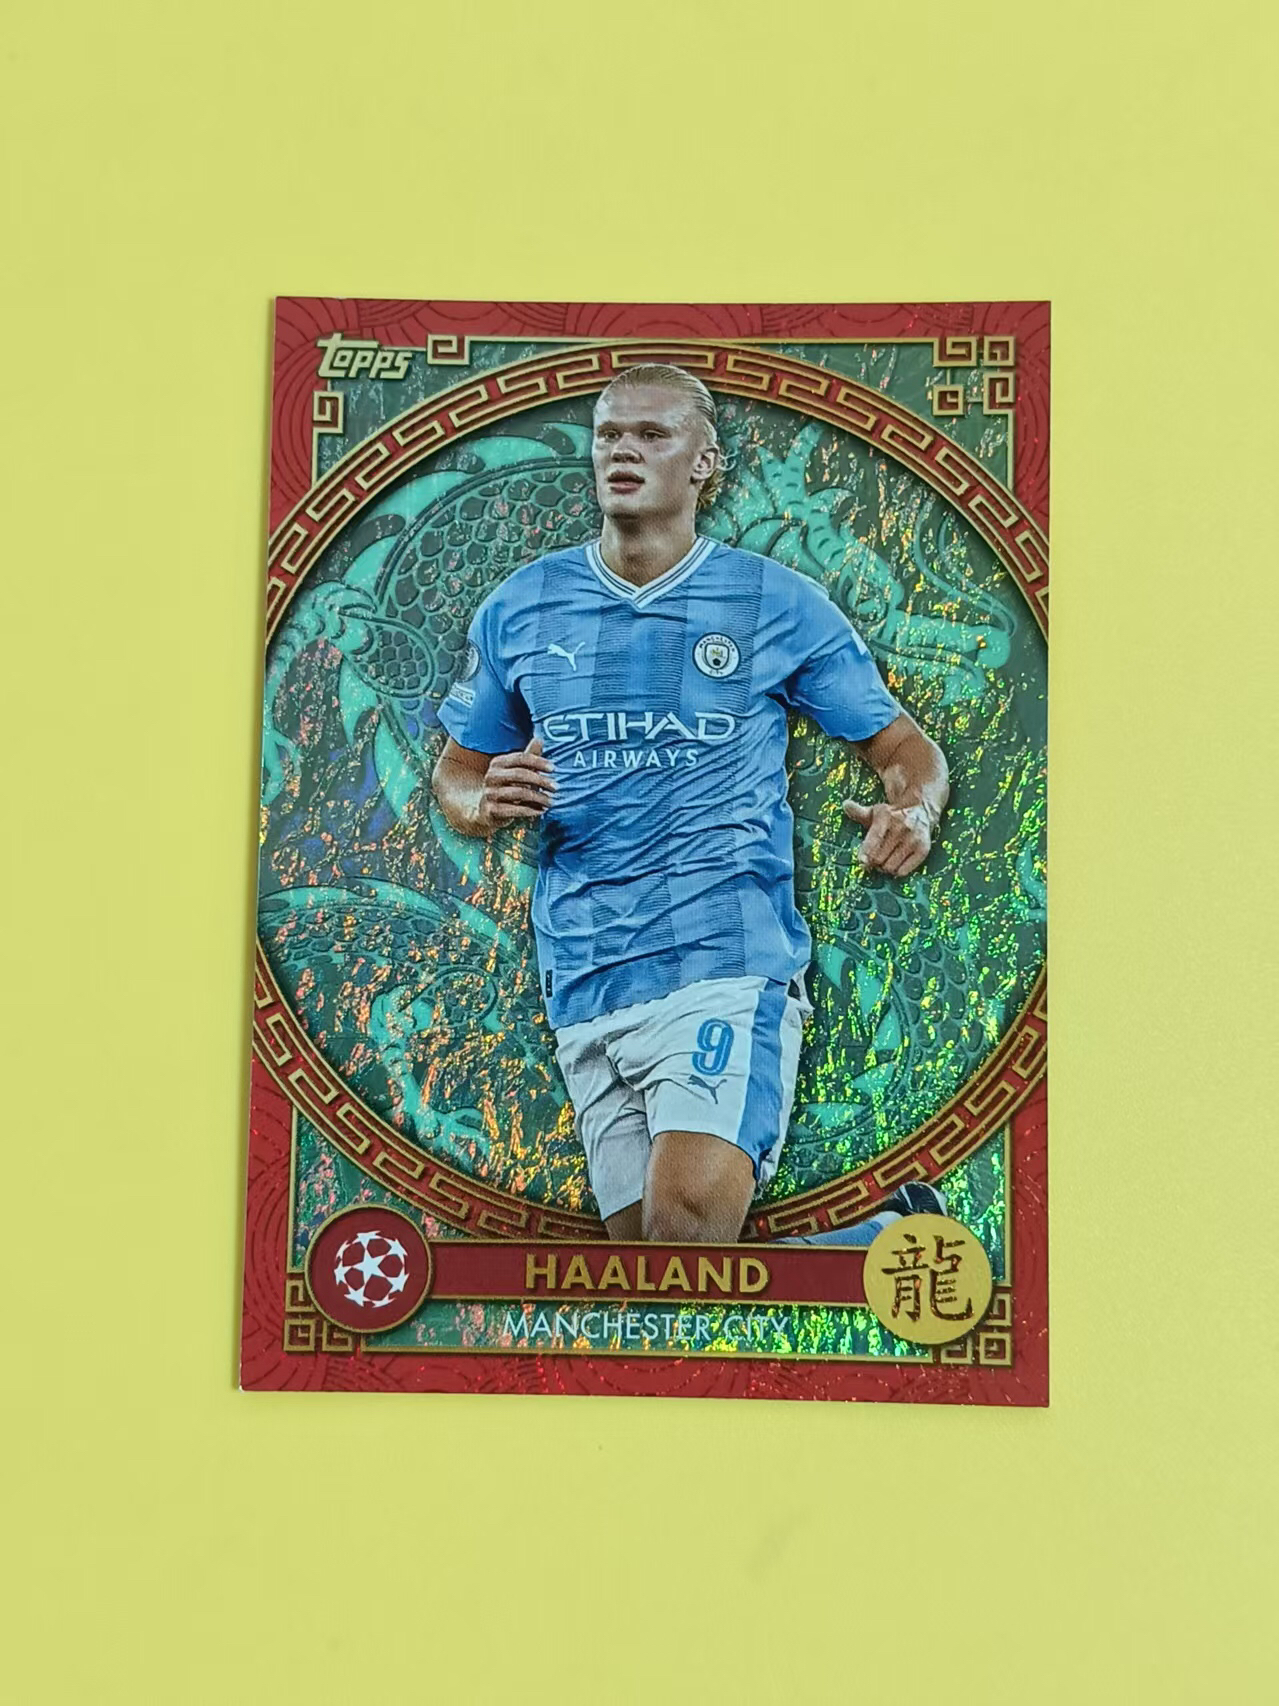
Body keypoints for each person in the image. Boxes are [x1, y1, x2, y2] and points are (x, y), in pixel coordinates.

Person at [433, 364, 949, 1244]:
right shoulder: (522, 604)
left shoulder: (775, 602)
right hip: (584, 971)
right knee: (648, 1275)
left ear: (704, 463)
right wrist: (480, 800)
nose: (623, 451)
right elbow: (456, 771)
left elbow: (902, 749)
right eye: (608, 434)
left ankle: (875, 1242)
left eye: (651, 434)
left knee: (681, 1234)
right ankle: (876, 1241)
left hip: (723, 958)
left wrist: (915, 812)